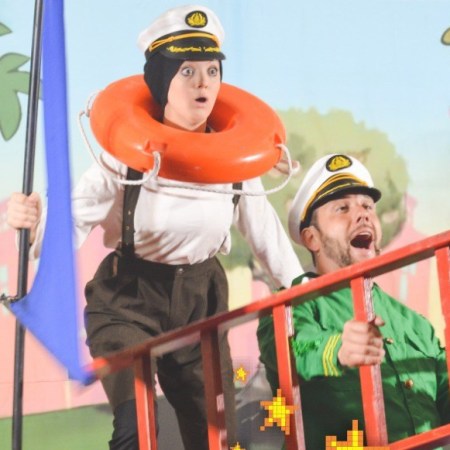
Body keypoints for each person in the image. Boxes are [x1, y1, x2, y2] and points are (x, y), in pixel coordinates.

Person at [7, 5, 302, 450]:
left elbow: (268, 238)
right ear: (162, 82)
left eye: (212, 70)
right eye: (187, 71)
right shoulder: (125, 156)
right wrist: (32, 224)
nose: (203, 83)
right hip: (128, 302)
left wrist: (301, 287)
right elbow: (71, 222)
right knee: (136, 429)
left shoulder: (235, 162)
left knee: (217, 436)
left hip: (200, 303)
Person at [257, 153, 450, 448]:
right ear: (311, 238)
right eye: (342, 208)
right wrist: (337, 349)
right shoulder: (287, 307)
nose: (362, 214)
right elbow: (290, 351)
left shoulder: (415, 323)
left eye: (367, 206)